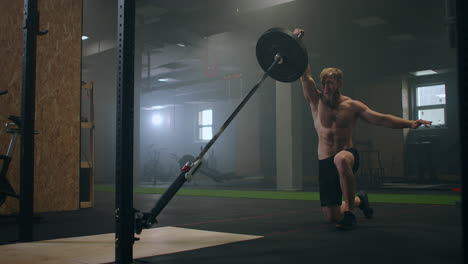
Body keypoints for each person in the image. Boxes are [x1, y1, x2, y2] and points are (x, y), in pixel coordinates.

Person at [294, 28, 432, 230]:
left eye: (330, 81)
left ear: (339, 82)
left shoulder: (352, 106)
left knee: (340, 159)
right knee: (331, 216)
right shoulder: (316, 102)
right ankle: (359, 200)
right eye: (323, 81)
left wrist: (410, 123)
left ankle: (350, 213)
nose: (325, 85)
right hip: (324, 162)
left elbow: (382, 119)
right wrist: (297, 43)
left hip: (347, 155)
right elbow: (305, 75)